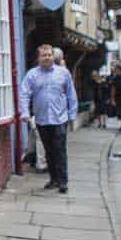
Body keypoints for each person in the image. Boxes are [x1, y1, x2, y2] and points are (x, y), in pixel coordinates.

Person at [20, 43, 79, 194]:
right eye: (43, 55)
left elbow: (71, 95)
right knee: (48, 151)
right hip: (42, 119)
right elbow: (24, 93)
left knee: (59, 149)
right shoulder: (32, 74)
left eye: (49, 55)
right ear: (38, 58)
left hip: (60, 118)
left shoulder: (63, 73)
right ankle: (53, 179)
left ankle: (63, 181)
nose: (46, 58)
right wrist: (25, 112)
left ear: (53, 57)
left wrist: (72, 114)